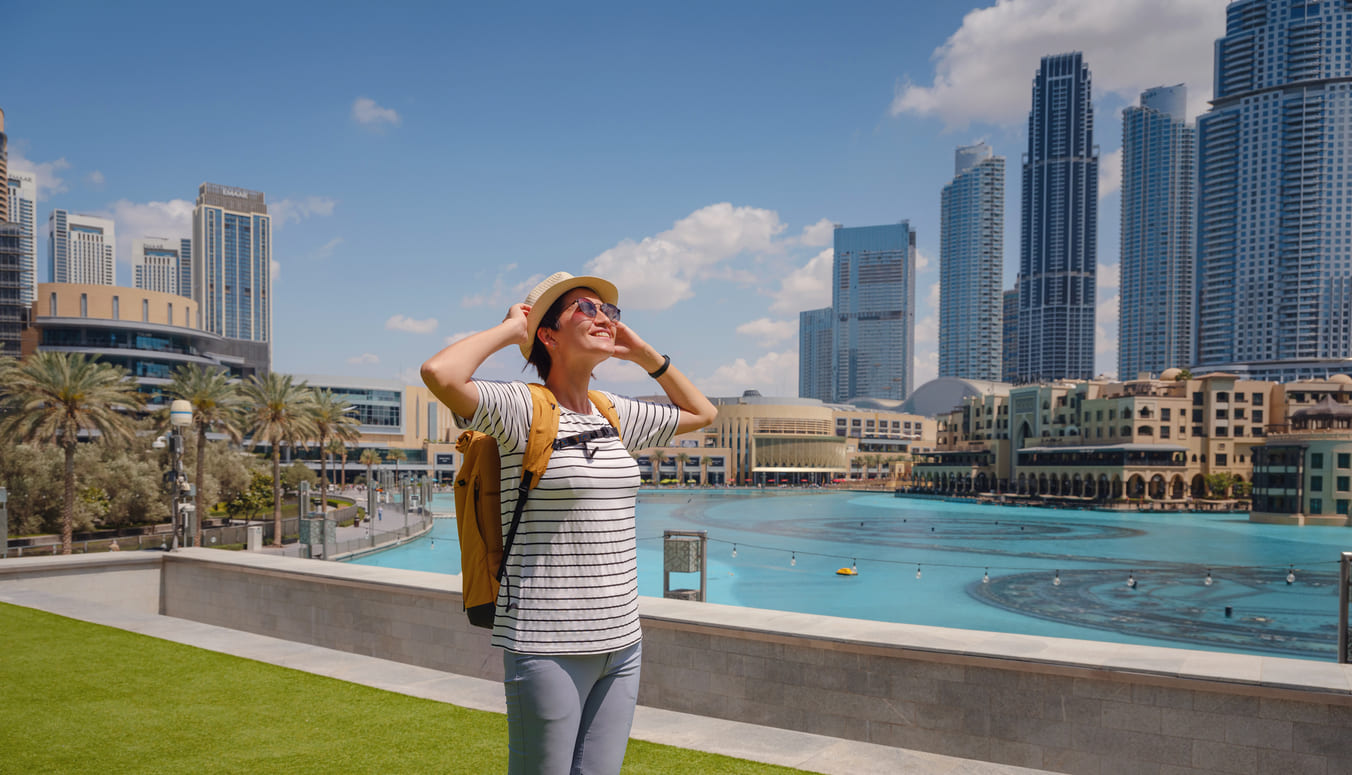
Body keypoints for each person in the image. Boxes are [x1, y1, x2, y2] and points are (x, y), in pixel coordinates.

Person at [421, 271, 716, 775]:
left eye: (609, 311)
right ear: (548, 335)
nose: (603, 317)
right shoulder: (522, 408)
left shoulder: (613, 412)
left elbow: (702, 412)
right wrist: (512, 330)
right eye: (585, 308)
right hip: (547, 638)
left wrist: (645, 355)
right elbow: (440, 373)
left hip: (622, 639)